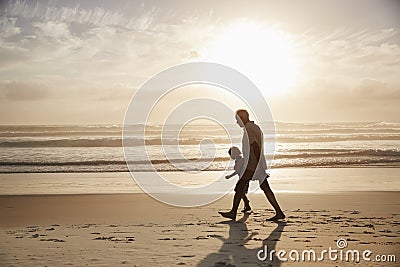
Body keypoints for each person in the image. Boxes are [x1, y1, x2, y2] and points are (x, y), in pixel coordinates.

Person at [219, 109, 285, 221]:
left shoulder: (249, 129)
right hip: (256, 164)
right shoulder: (254, 127)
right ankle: (279, 212)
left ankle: (233, 212)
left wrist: (257, 165)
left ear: (242, 118)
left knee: (240, 187)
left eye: (237, 119)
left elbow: (255, 147)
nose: (237, 122)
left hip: (252, 165)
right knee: (265, 188)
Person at [225, 146, 252, 212]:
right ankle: (247, 204)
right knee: (241, 192)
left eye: (231, 154)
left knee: (240, 192)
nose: (230, 156)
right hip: (242, 178)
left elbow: (237, 171)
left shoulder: (239, 160)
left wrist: (229, 176)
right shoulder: (239, 159)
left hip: (244, 179)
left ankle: (247, 204)